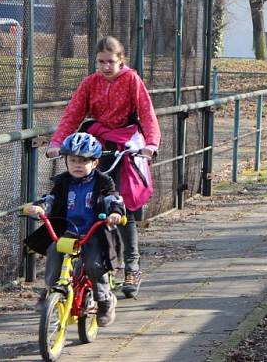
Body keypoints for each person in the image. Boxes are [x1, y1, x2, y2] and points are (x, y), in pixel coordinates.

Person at [45, 36, 160, 299]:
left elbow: (146, 113)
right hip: (100, 142)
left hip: (126, 143)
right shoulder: (90, 83)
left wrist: (151, 143)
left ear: (121, 61)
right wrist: (56, 142)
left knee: (122, 203)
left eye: (111, 62)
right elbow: (73, 113)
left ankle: (132, 266)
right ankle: (74, 264)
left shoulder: (132, 81)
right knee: (81, 193)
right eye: (101, 62)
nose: (106, 67)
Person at [25, 132, 126, 326]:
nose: (77, 165)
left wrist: (115, 212)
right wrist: (40, 207)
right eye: (72, 160)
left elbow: (113, 198)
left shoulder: (103, 182)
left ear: (95, 163)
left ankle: (104, 300)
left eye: (83, 161)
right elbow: (51, 199)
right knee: (54, 250)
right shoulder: (63, 182)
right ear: (66, 161)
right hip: (70, 230)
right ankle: (51, 290)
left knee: (94, 263)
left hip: (94, 232)